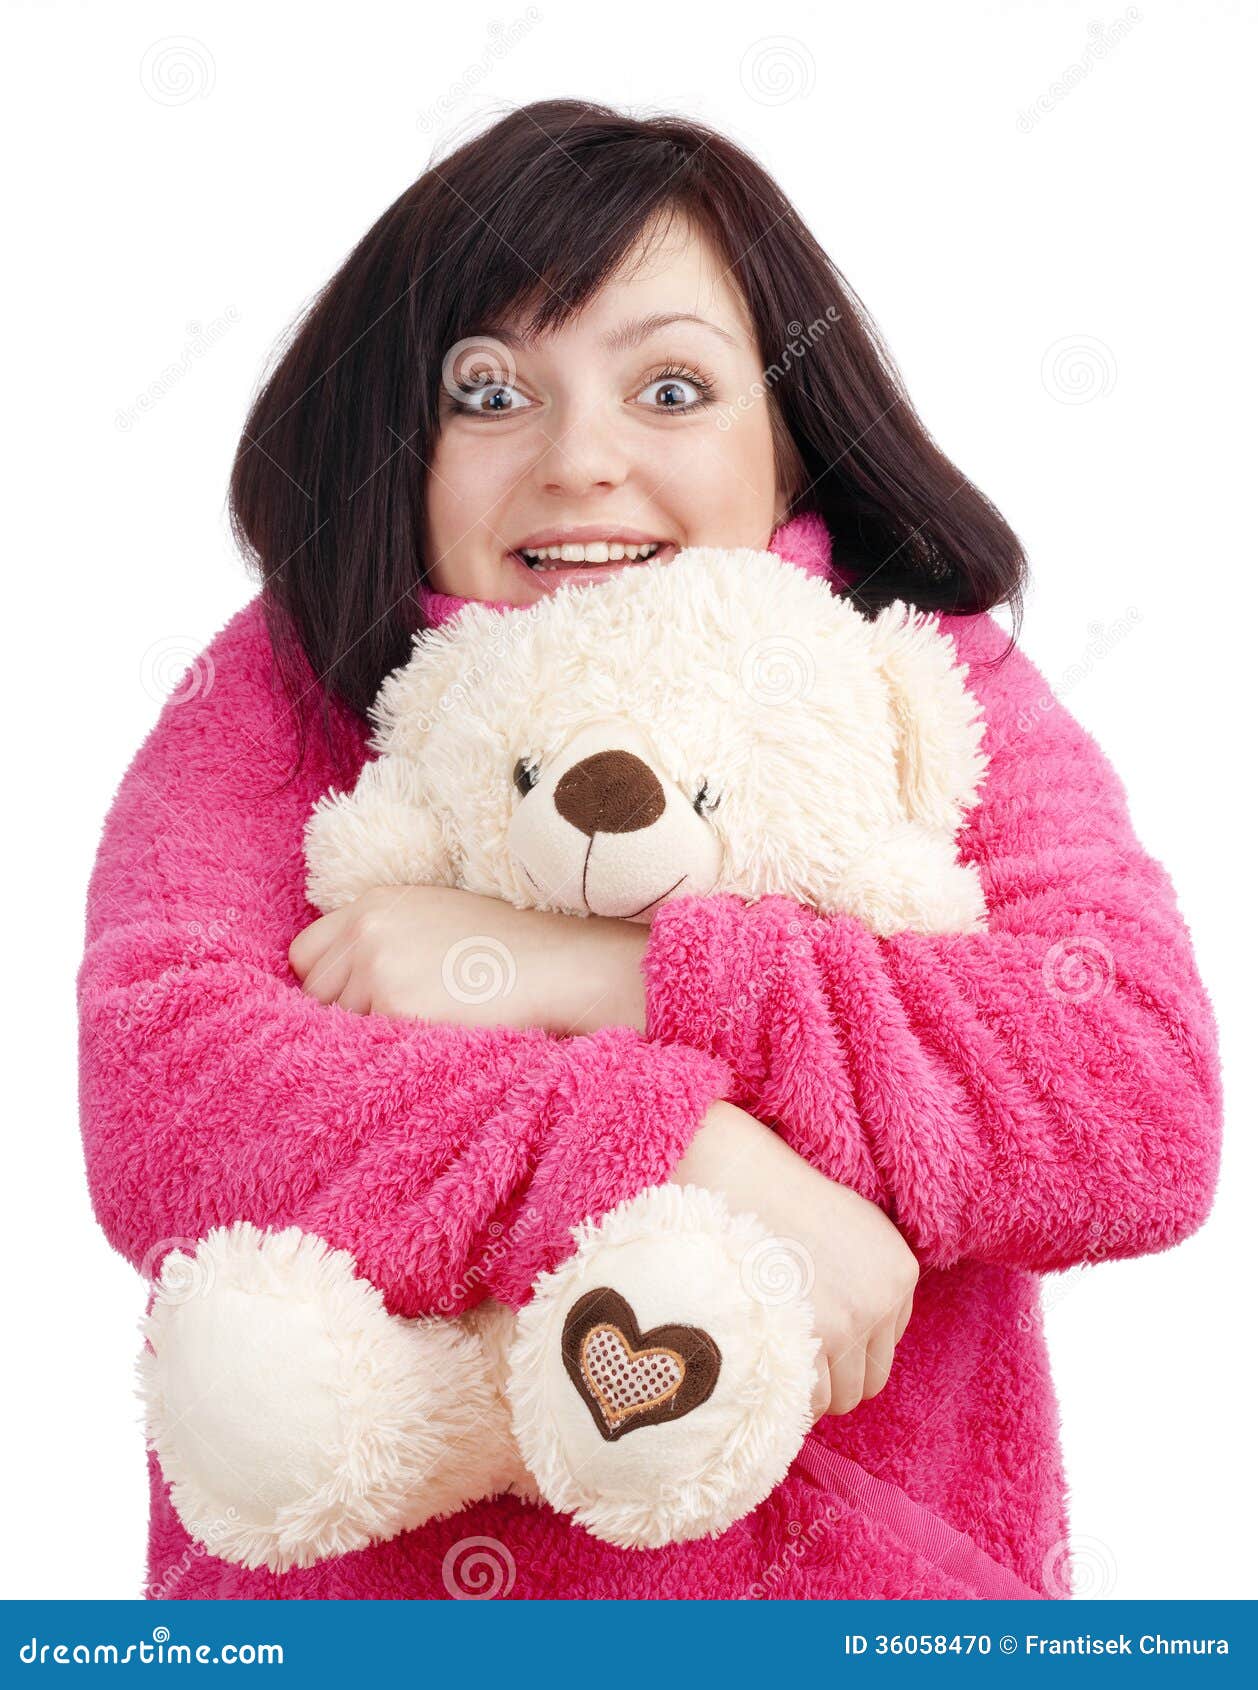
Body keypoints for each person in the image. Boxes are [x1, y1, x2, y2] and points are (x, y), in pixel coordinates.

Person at [78, 99, 1222, 1601]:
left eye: (669, 387)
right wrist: (692, 1148)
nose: (579, 463)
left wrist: (593, 970)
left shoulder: (915, 679)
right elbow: (173, 1103)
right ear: (396, 443)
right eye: (490, 393)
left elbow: (1131, 1095)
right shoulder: (287, 696)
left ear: (791, 434)